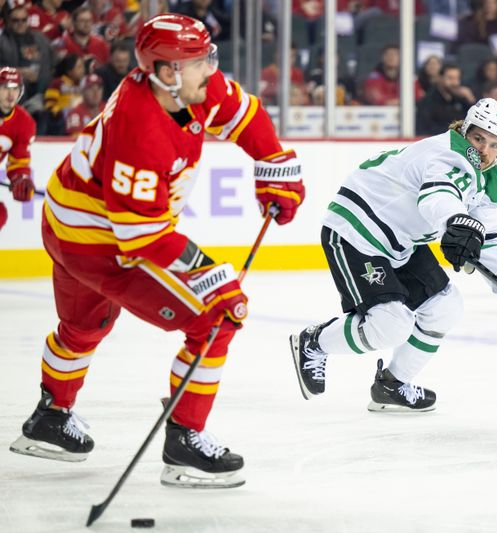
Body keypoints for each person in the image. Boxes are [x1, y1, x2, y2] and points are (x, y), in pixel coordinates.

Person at [9, 14, 306, 489]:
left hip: (67, 224)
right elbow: (142, 240)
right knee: (216, 316)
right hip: (100, 241)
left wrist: (273, 162)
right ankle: (185, 441)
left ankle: (50, 418)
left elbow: (242, 112)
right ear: (167, 71)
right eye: (200, 61)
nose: (211, 69)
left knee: (87, 324)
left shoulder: (180, 86)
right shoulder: (139, 126)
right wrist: (212, 273)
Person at [290, 98, 497, 412]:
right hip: (356, 231)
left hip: (401, 241)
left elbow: (490, 236)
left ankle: (392, 385)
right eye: (479, 138)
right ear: (465, 130)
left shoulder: (486, 178)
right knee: (391, 324)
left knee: (446, 307)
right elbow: (437, 195)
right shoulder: (448, 154)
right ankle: (314, 342)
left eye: (495, 144)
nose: (485, 151)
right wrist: (455, 220)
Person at [0, 67, 37, 231]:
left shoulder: (24, 122)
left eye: (15, 89)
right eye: (5, 88)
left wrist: (20, 180)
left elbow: (19, 160)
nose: (10, 95)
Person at [416, 63, 475, 136]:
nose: (455, 83)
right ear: (439, 78)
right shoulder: (428, 102)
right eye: (450, 78)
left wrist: (470, 100)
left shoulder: (461, 100)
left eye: (457, 78)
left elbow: (474, 122)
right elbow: (426, 129)